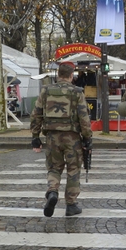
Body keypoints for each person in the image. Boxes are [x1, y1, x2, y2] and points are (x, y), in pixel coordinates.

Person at [31, 61, 92, 217]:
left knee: (54, 168)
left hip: (52, 137)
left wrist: (35, 136)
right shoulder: (77, 92)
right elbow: (83, 117)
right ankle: (71, 204)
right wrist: (87, 138)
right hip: (72, 137)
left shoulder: (45, 90)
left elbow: (36, 113)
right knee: (73, 169)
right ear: (71, 76)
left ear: (58, 75)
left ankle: (52, 191)